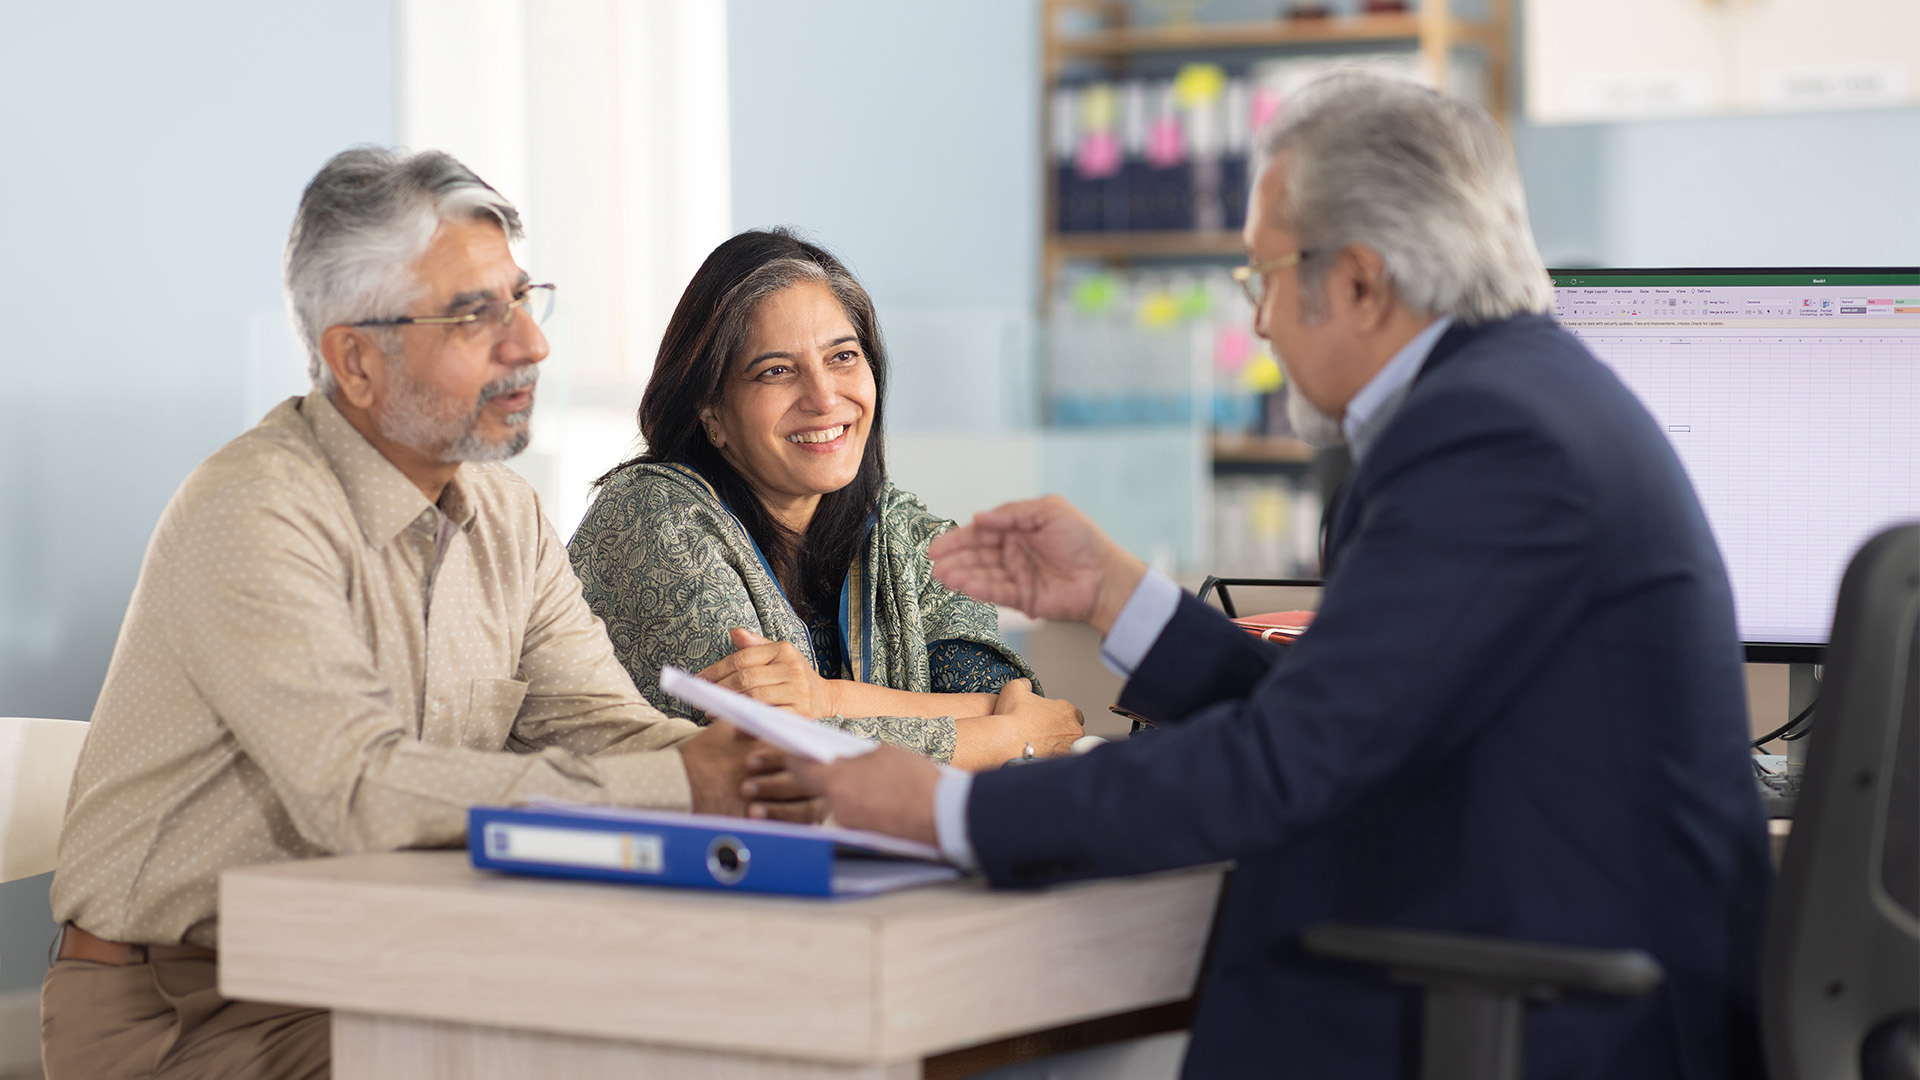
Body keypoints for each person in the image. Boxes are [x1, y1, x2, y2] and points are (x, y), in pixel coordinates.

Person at [795, 74, 1771, 1078]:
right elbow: (1356, 714)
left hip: (1555, 1015)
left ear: (1358, 281)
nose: (1257, 324)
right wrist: (1119, 598)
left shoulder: (1487, 437)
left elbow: (1290, 758)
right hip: (1552, 961)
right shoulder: (1515, 394)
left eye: (1260, 275)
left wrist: (951, 811)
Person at [41, 149, 818, 1080]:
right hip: (192, 1010)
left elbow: (612, 733)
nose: (529, 343)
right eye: (474, 315)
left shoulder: (509, 517)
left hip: (386, 964)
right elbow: (361, 796)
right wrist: (692, 785)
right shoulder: (251, 512)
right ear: (357, 360)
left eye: (524, 299)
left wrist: (787, 777)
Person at [569, 229, 1084, 771]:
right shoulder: (650, 519)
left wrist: (826, 699)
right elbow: (774, 752)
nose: (823, 397)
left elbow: (1004, 696)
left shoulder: (908, 536)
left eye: (842, 357)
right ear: (711, 411)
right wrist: (1004, 737)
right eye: (776, 371)